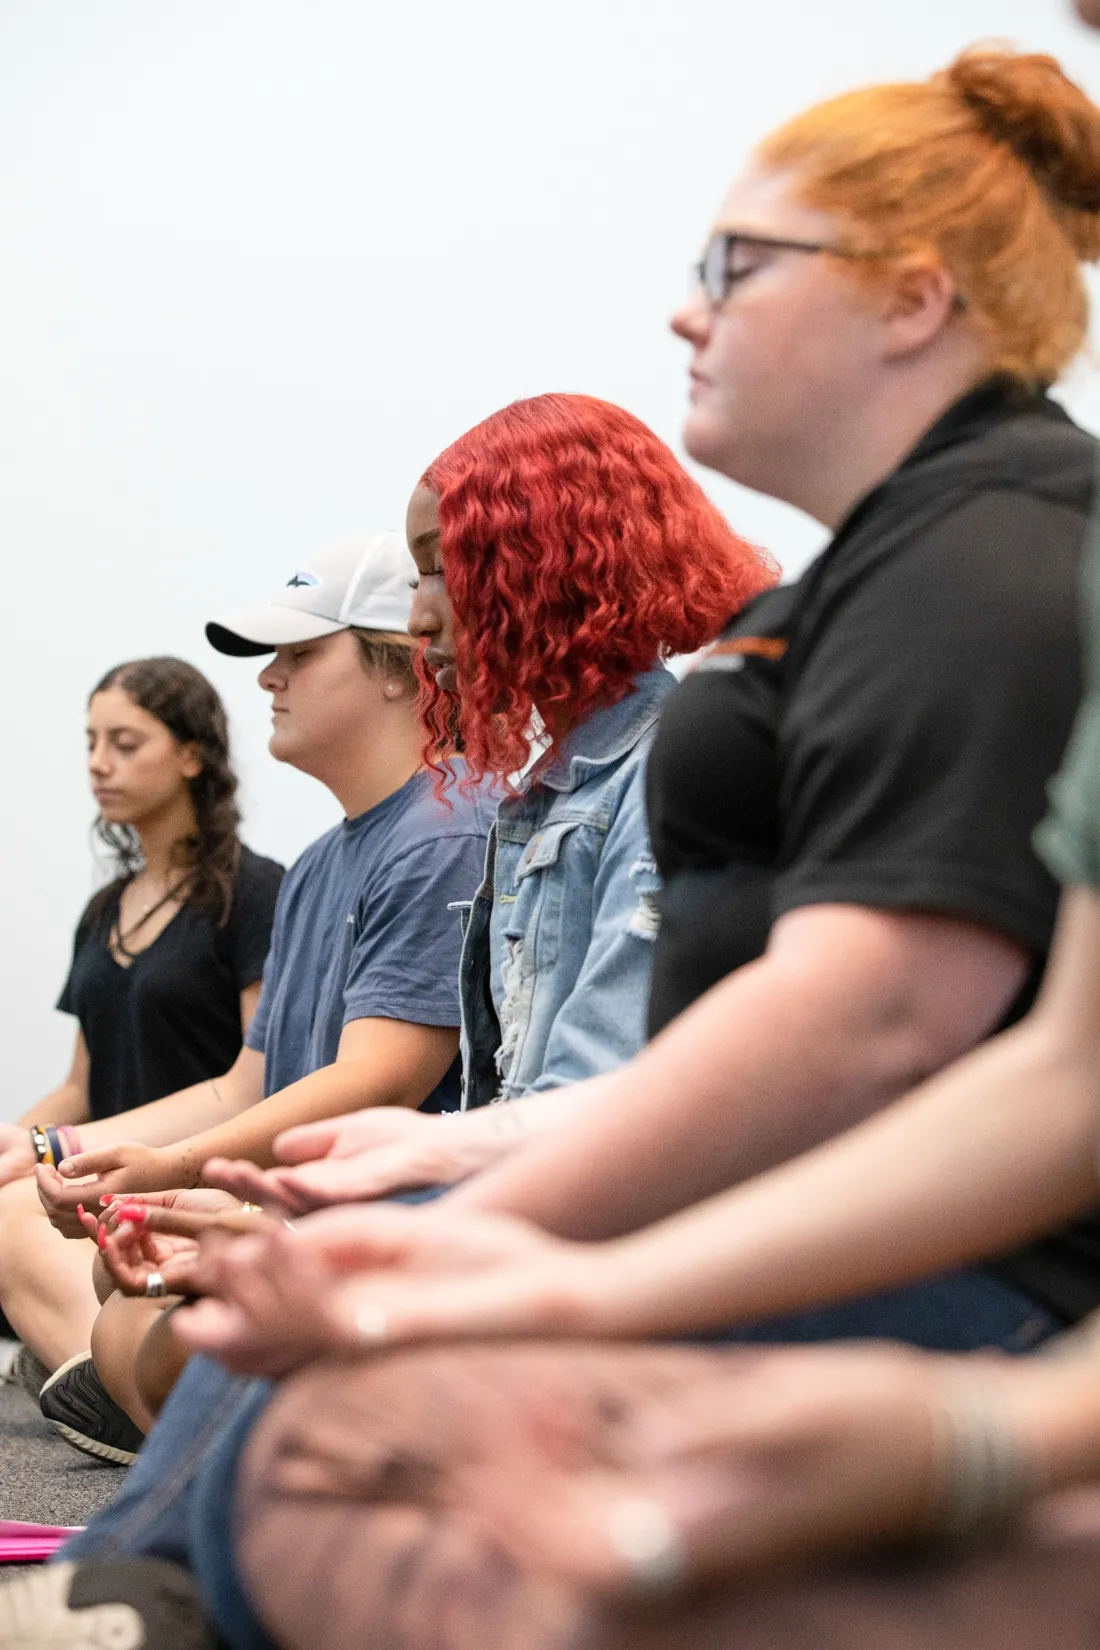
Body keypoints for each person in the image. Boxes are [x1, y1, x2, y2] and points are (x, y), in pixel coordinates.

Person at [0, 531, 494, 1464]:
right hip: (289, 1216)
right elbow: (245, 1085)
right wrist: (74, 1153)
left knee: (131, 1316)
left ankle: (207, 1430)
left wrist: (174, 1171)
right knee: (110, 1295)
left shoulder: (445, 832)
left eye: (302, 655)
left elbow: (379, 1081)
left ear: (398, 668)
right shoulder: (317, 867)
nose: (270, 679)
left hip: (379, 1231)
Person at [0, 656, 283, 1381]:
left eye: (124, 744)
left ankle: (108, 1381)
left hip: (202, 1182)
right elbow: (80, 1084)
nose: (99, 765)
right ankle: (95, 1373)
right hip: (101, 1178)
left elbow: (256, 1078)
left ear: (192, 754)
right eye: (90, 743)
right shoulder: (105, 911)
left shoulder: (253, 893)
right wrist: (20, 1143)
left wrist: (53, 1147)